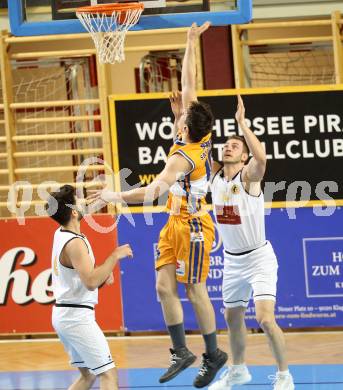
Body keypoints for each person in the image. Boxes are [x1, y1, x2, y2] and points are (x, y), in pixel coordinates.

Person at [87, 22, 227, 388]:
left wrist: (114, 195)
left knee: (195, 290)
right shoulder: (198, 130)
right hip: (174, 222)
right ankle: (182, 351)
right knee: (164, 288)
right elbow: (189, 83)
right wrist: (189, 40)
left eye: (182, 115)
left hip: (194, 225)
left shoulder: (183, 156)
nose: (180, 108)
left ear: (184, 128)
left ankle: (213, 355)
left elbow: (152, 192)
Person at [208, 96, 295, 390]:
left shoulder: (248, 178)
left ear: (243, 156)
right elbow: (192, 144)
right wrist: (180, 116)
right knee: (232, 317)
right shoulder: (214, 177)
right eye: (226, 144)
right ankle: (238, 370)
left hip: (259, 258)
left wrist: (242, 125)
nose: (228, 147)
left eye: (235, 146)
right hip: (233, 261)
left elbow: (262, 159)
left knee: (265, 319)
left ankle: (284, 375)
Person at [46, 184, 133, 390]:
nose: (84, 203)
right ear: (74, 212)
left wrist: (106, 197)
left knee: (88, 377)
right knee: (108, 374)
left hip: (65, 313)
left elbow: (87, 279)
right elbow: (91, 281)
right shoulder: (75, 243)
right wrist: (114, 257)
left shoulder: (61, 232)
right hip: (76, 318)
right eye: (79, 201)